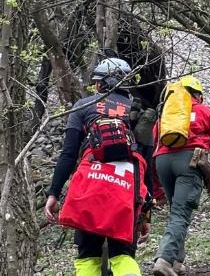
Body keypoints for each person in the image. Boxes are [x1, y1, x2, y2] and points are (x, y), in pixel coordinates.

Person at [44, 57, 150, 276]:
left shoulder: (84, 106)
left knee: (87, 256)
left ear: (101, 83)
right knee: (123, 255)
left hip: (90, 186)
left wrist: (54, 192)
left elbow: (68, 154)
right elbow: (147, 165)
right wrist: (145, 212)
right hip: (126, 189)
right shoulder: (139, 112)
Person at [152, 76, 210, 276]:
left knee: (176, 211)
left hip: (162, 162)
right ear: (197, 95)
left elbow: (153, 144)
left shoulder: (166, 114)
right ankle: (164, 260)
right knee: (180, 213)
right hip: (189, 162)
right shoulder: (204, 111)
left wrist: (156, 188)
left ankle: (177, 261)